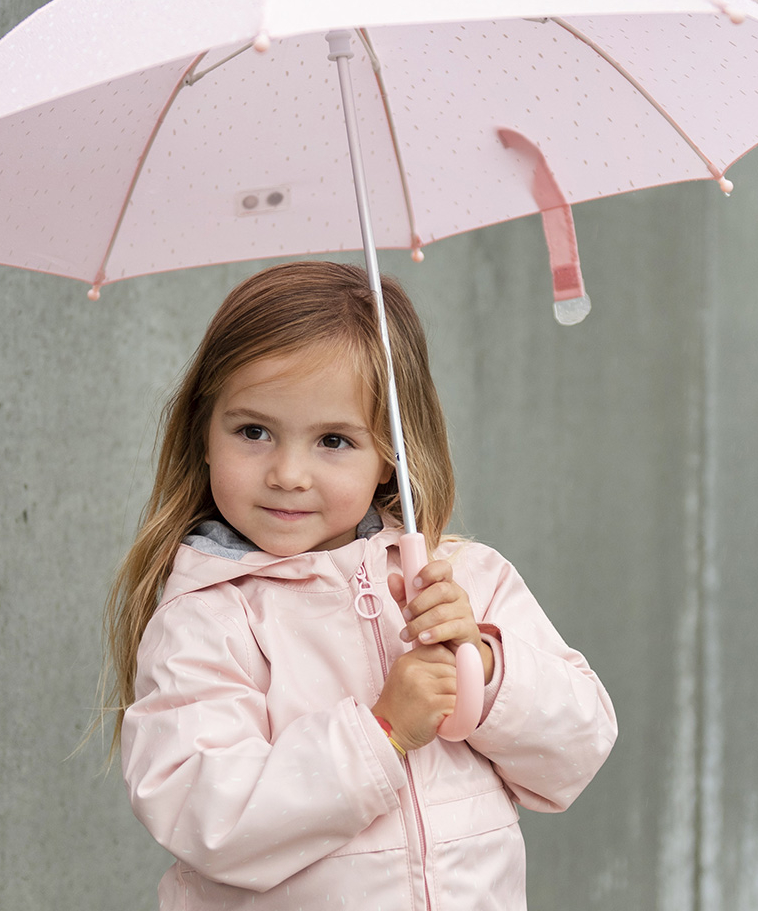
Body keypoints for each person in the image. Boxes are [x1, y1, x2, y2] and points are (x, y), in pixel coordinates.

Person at [102, 261, 616, 910]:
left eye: (334, 440)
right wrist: (380, 734)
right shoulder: (210, 617)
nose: (289, 472)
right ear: (204, 431)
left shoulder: (464, 580)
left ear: (389, 456)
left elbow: (580, 745)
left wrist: (482, 669)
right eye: (254, 431)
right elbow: (204, 814)